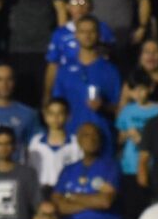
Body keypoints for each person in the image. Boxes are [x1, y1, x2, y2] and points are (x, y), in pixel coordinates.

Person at [51, 122, 123, 219]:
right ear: (78, 140)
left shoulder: (111, 167)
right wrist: (92, 200)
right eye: (86, 135)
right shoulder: (68, 170)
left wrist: (71, 197)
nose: (91, 139)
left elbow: (105, 202)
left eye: (95, 135)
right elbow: (58, 205)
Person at [51, 14, 123, 153]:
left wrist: (103, 106)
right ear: (76, 35)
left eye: (92, 31)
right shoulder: (64, 70)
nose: (87, 36)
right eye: (83, 31)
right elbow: (58, 106)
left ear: (99, 35)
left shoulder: (111, 70)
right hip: (72, 138)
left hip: (103, 138)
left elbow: (120, 108)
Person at [116, 69, 158, 219]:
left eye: (142, 89)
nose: (138, 94)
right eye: (134, 90)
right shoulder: (127, 111)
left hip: (152, 166)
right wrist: (127, 134)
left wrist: (144, 138)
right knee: (133, 210)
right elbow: (120, 138)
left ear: (150, 88)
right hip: (130, 166)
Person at [27, 98, 82, 197]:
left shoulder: (76, 143)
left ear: (68, 116)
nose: (55, 118)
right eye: (51, 114)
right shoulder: (36, 142)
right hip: (40, 193)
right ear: (45, 116)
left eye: (60, 113)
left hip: (65, 194)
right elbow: (31, 169)